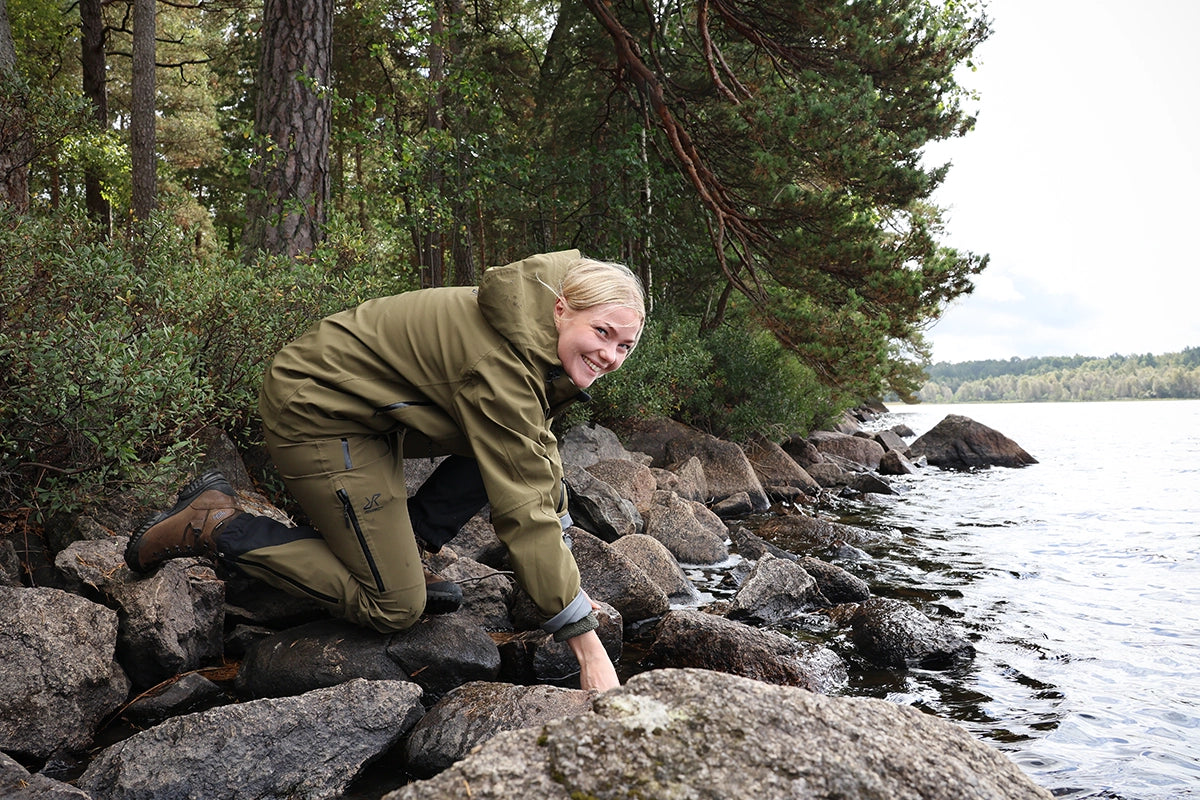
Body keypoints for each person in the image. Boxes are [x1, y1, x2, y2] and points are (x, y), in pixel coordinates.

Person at [124, 250, 645, 692]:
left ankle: (404, 546)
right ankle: (213, 524)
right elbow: (525, 506)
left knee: (505, 453)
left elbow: (533, 455)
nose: (610, 356)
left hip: (372, 414)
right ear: (561, 309)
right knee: (394, 606)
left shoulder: (530, 332)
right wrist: (586, 645)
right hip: (317, 414)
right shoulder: (502, 363)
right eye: (602, 332)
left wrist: (567, 584)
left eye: (624, 346)